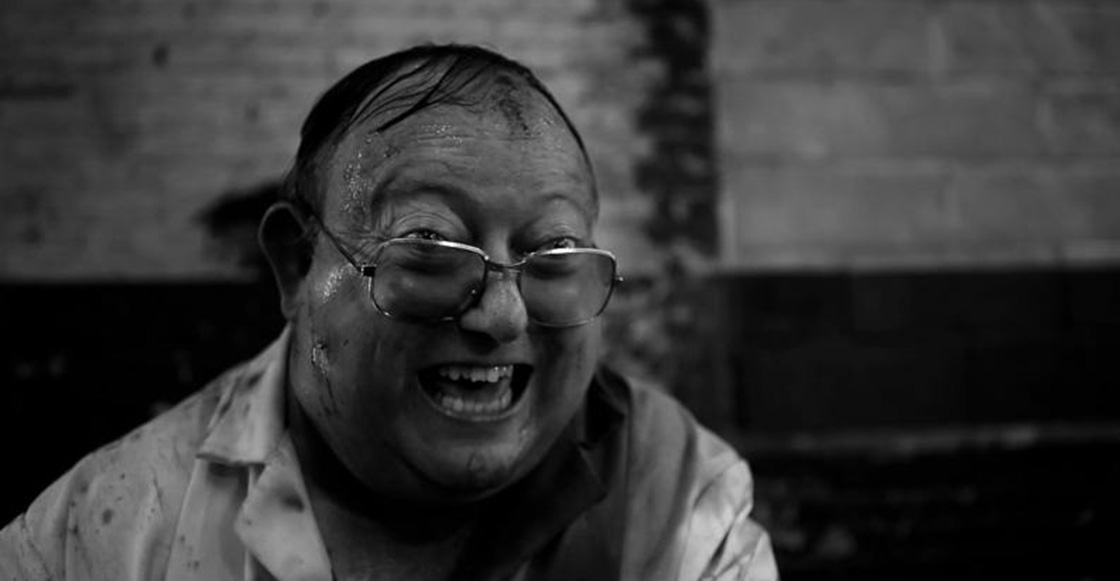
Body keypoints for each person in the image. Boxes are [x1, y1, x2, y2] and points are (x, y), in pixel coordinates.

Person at [0, 44, 777, 581]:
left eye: (553, 255)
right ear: (298, 264)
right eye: (430, 250)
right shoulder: (106, 532)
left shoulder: (680, 503)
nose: (502, 315)